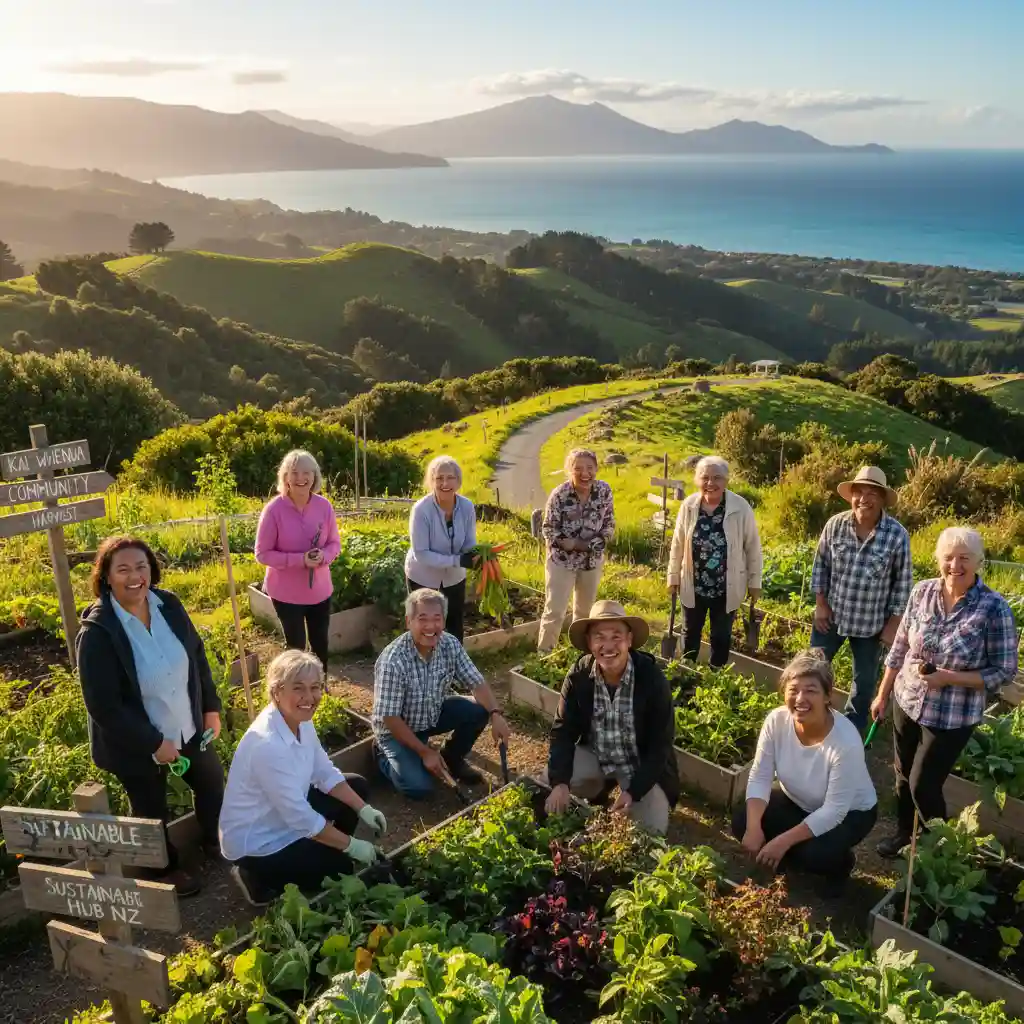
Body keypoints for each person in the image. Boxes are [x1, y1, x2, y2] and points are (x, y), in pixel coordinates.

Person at [77, 536, 224, 897]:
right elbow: (104, 706)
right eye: (123, 569)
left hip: (187, 726)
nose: (134, 576)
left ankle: (216, 840)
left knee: (211, 781)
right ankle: (161, 870)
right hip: (136, 742)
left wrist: (210, 707)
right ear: (106, 577)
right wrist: (154, 743)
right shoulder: (98, 633)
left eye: (141, 567)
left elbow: (197, 658)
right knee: (149, 807)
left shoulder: (168, 605)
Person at [871, 527, 1017, 857]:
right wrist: (883, 694)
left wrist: (950, 677)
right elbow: (900, 647)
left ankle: (937, 848)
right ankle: (903, 835)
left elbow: (1003, 672)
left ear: (978, 561)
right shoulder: (922, 592)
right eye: (948, 557)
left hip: (952, 715)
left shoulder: (994, 609)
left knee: (924, 784)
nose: (955, 565)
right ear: (939, 560)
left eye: (964, 558)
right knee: (902, 776)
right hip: (906, 700)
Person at [220, 650, 386, 906]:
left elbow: (324, 772)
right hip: (258, 838)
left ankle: (324, 848)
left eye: (315, 687)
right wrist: (353, 846)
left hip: (285, 811)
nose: (309, 697)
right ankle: (253, 874)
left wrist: (362, 809)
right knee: (338, 870)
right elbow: (300, 817)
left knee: (356, 787)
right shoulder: (267, 744)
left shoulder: (299, 718)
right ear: (277, 691)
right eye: (298, 688)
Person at [733, 650, 878, 893]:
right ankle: (781, 860)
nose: (800, 698)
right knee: (743, 819)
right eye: (793, 690)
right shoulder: (777, 721)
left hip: (851, 813)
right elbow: (760, 775)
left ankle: (840, 864)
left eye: (811, 690)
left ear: (827, 696)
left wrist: (782, 841)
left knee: (813, 854)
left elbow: (834, 811)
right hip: (797, 800)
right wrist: (754, 827)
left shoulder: (846, 742)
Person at [544, 600, 680, 835]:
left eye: (616, 636)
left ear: (629, 640)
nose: (608, 646)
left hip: (639, 766)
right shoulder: (579, 676)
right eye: (599, 637)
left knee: (649, 832)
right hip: (598, 756)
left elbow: (661, 745)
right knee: (551, 782)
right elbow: (562, 731)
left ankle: (633, 795)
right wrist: (560, 783)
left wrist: (634, 791)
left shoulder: (651, 679)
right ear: (589, 643)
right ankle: (599, 790)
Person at [372, 588, 511, 797]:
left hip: (430, 715)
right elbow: (391, 718)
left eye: (437, 619)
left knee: (479, 710)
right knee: (419, 788)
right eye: (422, 619)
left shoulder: (449, 643)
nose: (430, 626)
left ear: (444, 621)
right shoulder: (394, 660)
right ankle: (383, 756)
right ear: (408, 621)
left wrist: (496, 714)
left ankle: (451, 758)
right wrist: (424, 752)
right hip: (395, 729)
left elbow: (476, 681)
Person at [810, 465, 912, 732]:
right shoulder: (835, 525)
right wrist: (820, 605)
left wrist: (893, 626)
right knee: (813, 668)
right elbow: (821, 565)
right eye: (859, 492)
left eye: (872, 494)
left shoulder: (896, 535)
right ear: (851, 495)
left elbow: (902, 585)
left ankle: (852, 733)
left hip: (871, 624)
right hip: (831, 616)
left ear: (881, 499)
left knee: (864, 682)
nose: (864, 499)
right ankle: (809, 714)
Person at [667, 456, 762, 667]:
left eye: (717, 477)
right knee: (689, 631)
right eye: (705, 478)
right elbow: (678, 543)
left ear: (726, 481)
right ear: (697, 480)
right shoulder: (689, 505)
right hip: (693, 581)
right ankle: (686, 671)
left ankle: (715, 672)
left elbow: (753, 546)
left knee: (721, 635)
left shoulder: (740, 507)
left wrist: (755, 582)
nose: (711, 483)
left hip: (726, 585)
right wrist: (673, 576)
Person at [255, 449, 340, 673]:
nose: (301, 478)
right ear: (285, 478)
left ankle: (320, 685)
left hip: (319, 591)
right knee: (296, 646)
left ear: (314, 476)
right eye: (294, 473)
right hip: (286, 593)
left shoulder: (324, 506)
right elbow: (262, 554)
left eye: (307, 473)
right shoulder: (274, 510)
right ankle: (296, 687)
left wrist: (325, 556)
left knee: (320, 642)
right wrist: (301, 560)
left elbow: (334, 544)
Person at [538, 448, 615, 652]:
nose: (585, 473)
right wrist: (565, 542)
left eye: (589, 468)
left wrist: (588, 545)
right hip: (562, 561)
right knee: (555, 610)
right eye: (578, 468)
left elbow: (609, 525)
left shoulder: (604, 491)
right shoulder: (560, 495)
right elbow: (547, 527)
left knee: (584, 613)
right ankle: (544, 655)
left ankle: (580, 655)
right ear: (569, 470)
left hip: (591, 562)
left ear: (597, 469)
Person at [405, 455, 477, 643]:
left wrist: (476, 555)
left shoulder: (467, 507)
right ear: (432, 482)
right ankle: (423, 666)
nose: (445, 483)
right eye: (439, 478)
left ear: (458, 481)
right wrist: (457, 560)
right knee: (425, 626)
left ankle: (453, 667)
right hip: (423, 576)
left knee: (454, 625)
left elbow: (469, 541)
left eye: (450, 478)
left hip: (454, 576)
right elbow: (421, 553)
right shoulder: (421, 510)